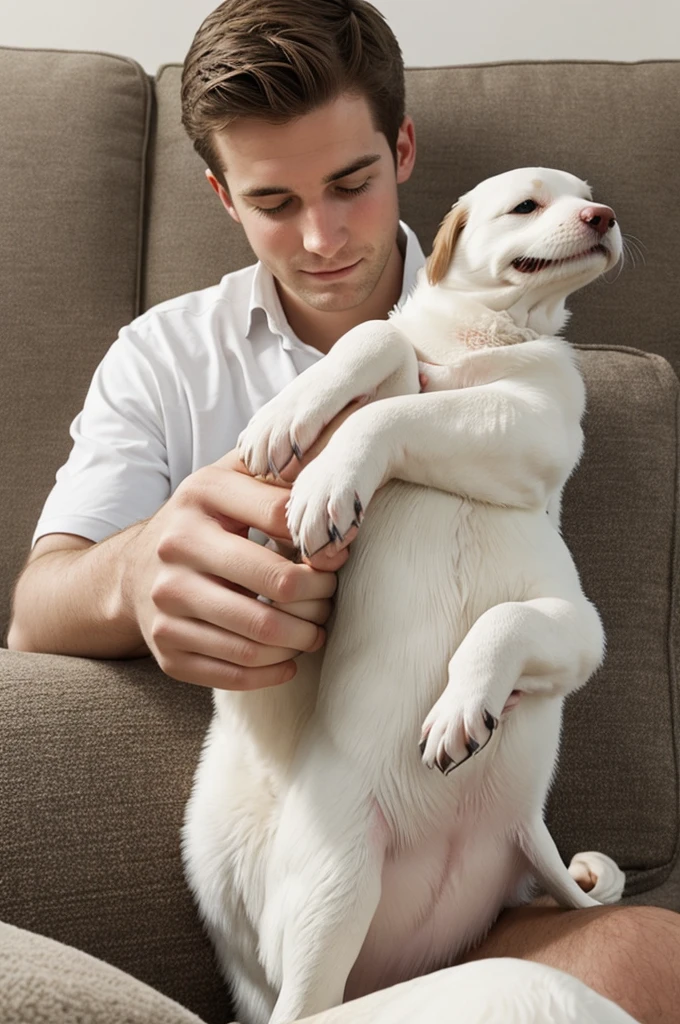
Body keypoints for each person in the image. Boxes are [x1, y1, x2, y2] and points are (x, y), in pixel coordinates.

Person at [7, 0, 680, 1019]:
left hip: (480, 851)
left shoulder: (521, 345)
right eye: (273, 200)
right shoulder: (165, 357)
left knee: (648, 961)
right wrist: (141, 569)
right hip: (289, 845)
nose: (321, 238)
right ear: (220, 196)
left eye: (351, 184)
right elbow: (36, 609)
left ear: (400, 147)